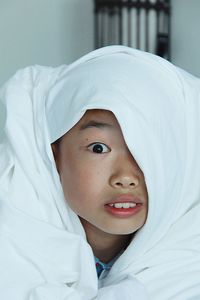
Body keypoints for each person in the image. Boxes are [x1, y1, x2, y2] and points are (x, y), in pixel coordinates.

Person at [0, 45, 200, 300]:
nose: (126, 177)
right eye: (99, 148)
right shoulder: (9, 243)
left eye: (150, 150)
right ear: (53, 155)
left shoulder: (190, 261)